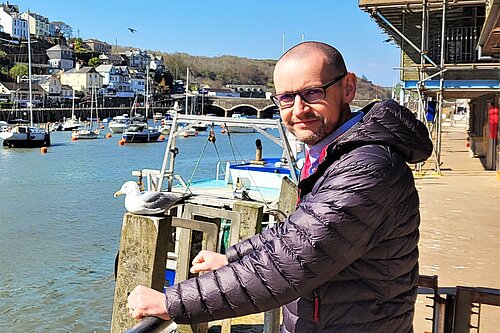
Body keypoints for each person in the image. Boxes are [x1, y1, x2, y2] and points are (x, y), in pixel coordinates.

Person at [127, 41, 433, 332]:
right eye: (286, 98)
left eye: (313, 93)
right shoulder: (336, 152)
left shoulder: (367, 166)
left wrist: (171, 301)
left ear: (348, 88)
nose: (298, 110)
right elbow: (295, 233)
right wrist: (232, 258)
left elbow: (290, 263)